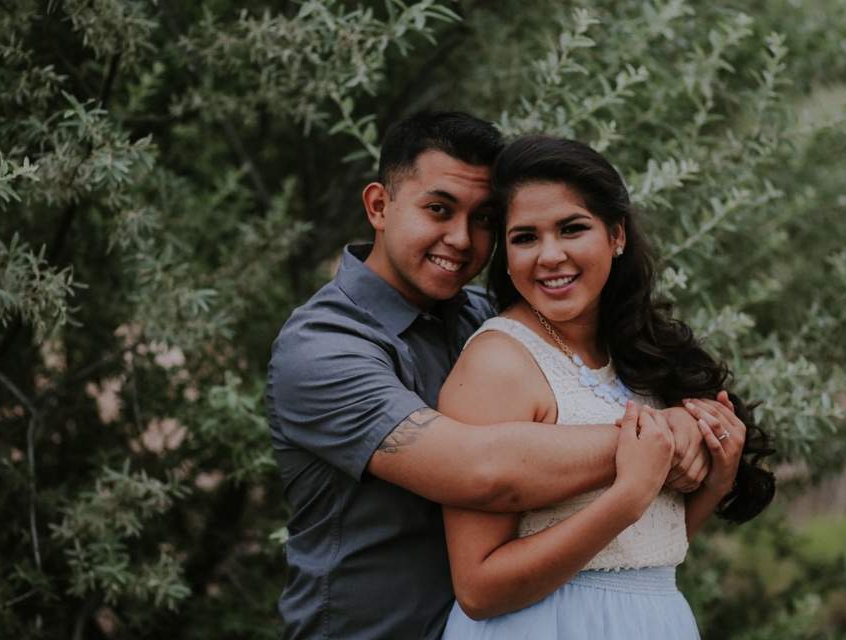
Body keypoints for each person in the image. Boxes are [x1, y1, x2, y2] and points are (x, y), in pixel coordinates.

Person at [265, 111, 717, 640]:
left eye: (483, 219)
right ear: (379, 206)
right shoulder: (321, 349)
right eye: (439, 209)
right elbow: (480, 470)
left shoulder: (493, 318)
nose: (460, 238)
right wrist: (661, 436)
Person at [439, 135, 776, 639]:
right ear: (504, 255)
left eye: (572, 229)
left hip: (653, 618)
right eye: (525, 237)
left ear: (616, 234)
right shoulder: (498, 363)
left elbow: (647, 551)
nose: (550, 255)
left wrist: (717, 480)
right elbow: (479, 590)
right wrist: (629, 494)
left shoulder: (640, 355)